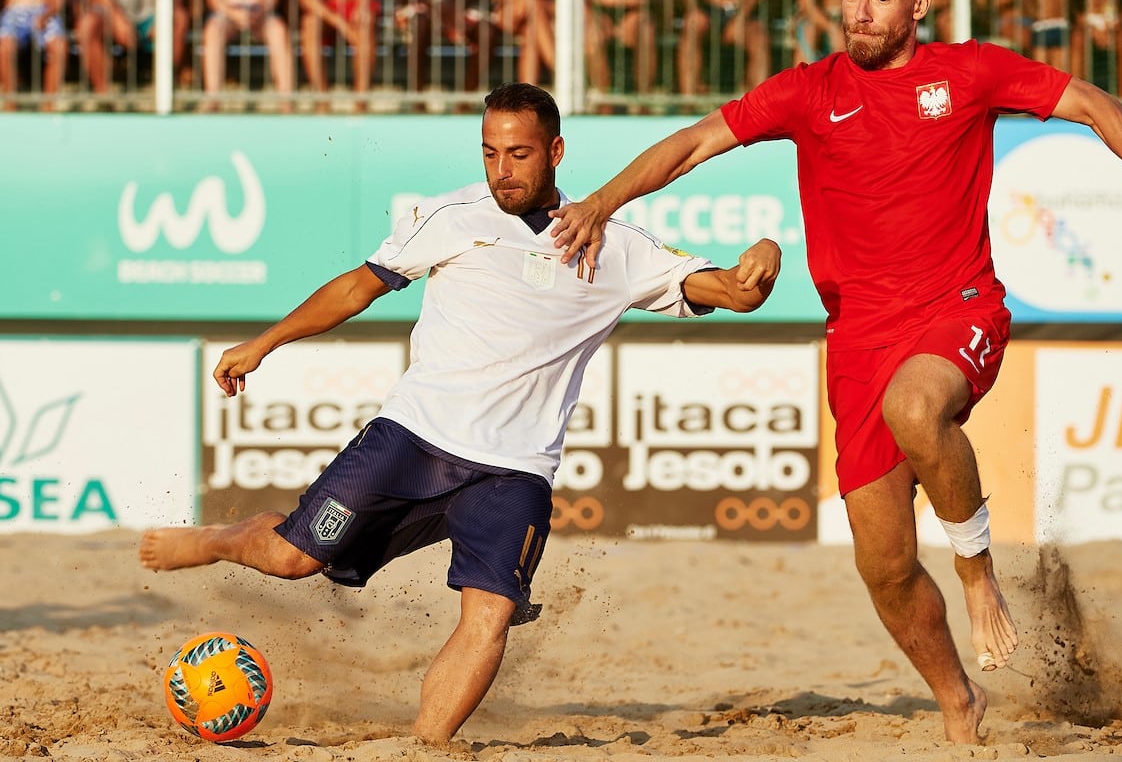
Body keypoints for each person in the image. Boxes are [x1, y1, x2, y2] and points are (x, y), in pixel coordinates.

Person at [547, 0, 1122, 744]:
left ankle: (977, 569)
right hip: (857, 335)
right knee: (884, 568)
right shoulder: (807, 91)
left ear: (919, 5)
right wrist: (600, 204)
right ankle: (959, 699)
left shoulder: (969, 73)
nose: (859, 12)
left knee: (918, 408)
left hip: (956, 305)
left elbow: (1097, 104)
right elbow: (692, 143)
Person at [138, 82, 782, 746]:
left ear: (555, 151)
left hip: (514, 474)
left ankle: (425, 748)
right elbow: (360, 286)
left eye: (520, 153)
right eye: (490, 152)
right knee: (292, 559)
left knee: (491, 613)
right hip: (413, 439)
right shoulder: (453, 216)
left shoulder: (618, 249)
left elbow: (735, 293)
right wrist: (265, 343)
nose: (502, 170)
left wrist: (765, 254)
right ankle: (216, 541)